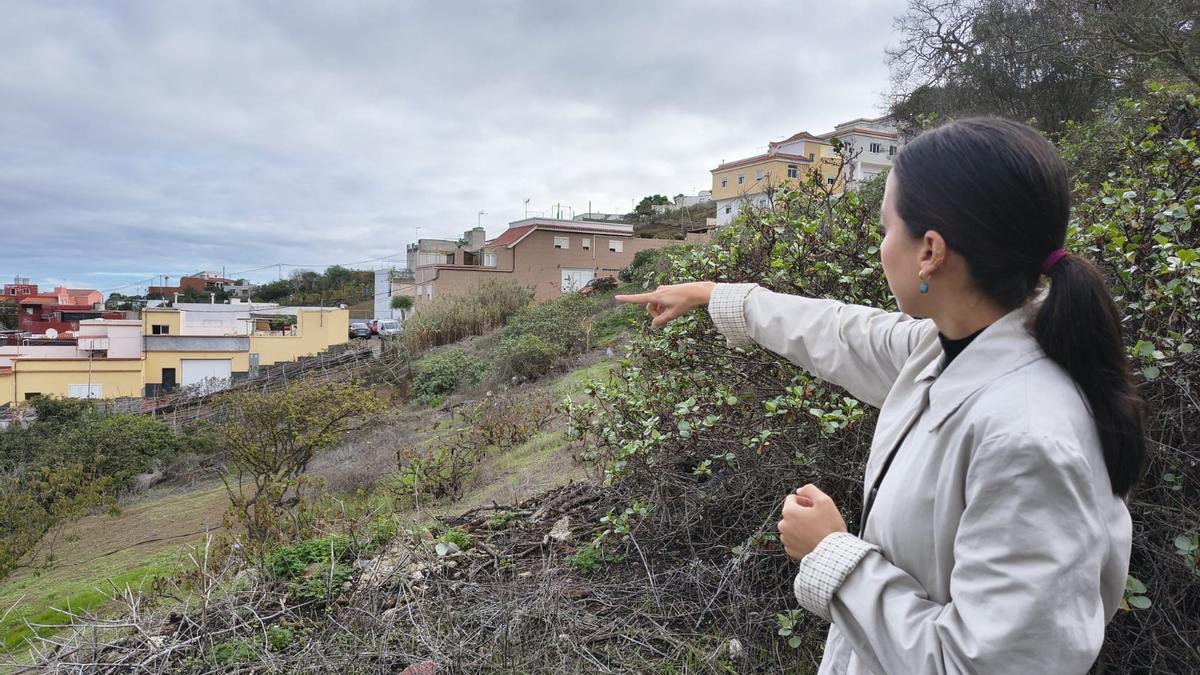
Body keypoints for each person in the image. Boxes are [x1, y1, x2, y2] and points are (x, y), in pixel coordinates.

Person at [615, 118, 1146, 674]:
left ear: (930, 252)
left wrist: (833, 555)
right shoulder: (951, 349)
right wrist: (715, 295)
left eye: (888, 227)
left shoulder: (1028, 437)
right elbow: (836, 331)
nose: (881, 245)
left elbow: (981, 665)